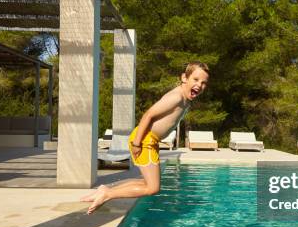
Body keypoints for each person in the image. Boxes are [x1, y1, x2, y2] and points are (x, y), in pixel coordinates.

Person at [81, 61, 210, 214]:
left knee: (147, 183)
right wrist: (137, 144)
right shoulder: (176, 97)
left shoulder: (185, 99)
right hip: (145, 140)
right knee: (152, 188)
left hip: (150, 141)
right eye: (195, 80)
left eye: (203, 83)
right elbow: (148, 115)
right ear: (184, 78)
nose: (199, 85)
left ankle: (105, 190)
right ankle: (107, 194)